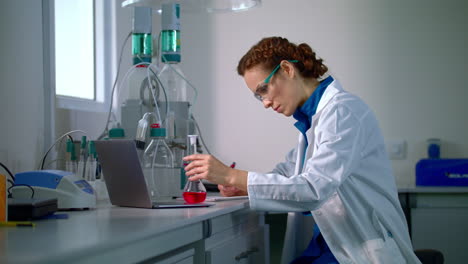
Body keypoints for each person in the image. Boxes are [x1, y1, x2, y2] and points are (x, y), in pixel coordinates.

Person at [184, 36, 421, 264]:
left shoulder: (342, 112)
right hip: (332, 243)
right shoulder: (313, 120)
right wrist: (241, 186)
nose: (265, 103)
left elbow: (313, 189)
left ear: (287, 69)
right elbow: (287, 173)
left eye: (264, 89)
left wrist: (230, 175)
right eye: (259, 97)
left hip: (362, 246)